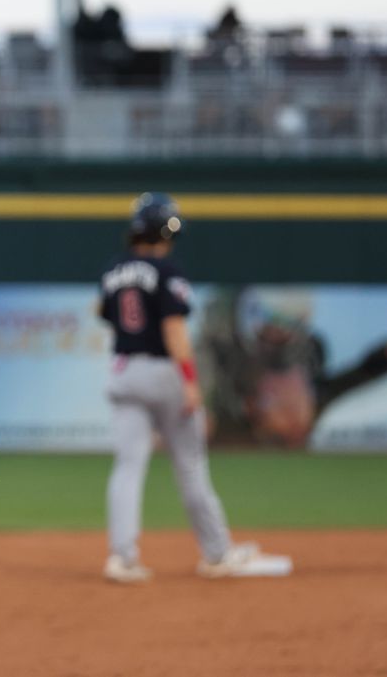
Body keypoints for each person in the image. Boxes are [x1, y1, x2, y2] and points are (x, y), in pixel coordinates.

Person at [97, 193, 290, 583]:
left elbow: (105, 312)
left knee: (128, 468)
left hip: (124, 371)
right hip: (163, 371)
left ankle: (122, 558)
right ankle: (217, 554)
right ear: (166, 230)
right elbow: (173, 330)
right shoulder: (167, 271)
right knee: (190, 466)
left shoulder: (113, 269)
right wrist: (189, 380)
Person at [197, 285, 387, 447]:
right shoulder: (225, 358)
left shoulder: (310, 354)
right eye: (275, 323)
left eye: (289, 325)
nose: (280, 333)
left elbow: (372, 367)